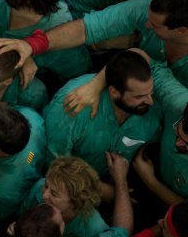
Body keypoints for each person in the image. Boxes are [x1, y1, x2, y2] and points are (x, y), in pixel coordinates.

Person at [0, 0, 188, 129]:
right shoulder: (150, 10)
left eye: (154, 26)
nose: (146, 26)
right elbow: (91, 27)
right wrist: (34, 44)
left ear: (181, 30)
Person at [44, 51, 177, 179]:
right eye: (140, 96)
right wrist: (103, 190)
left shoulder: (154, 109)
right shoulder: (73, 107)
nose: (150, 101)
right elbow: (55, 167)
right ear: (114, 92)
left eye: (151, 92)